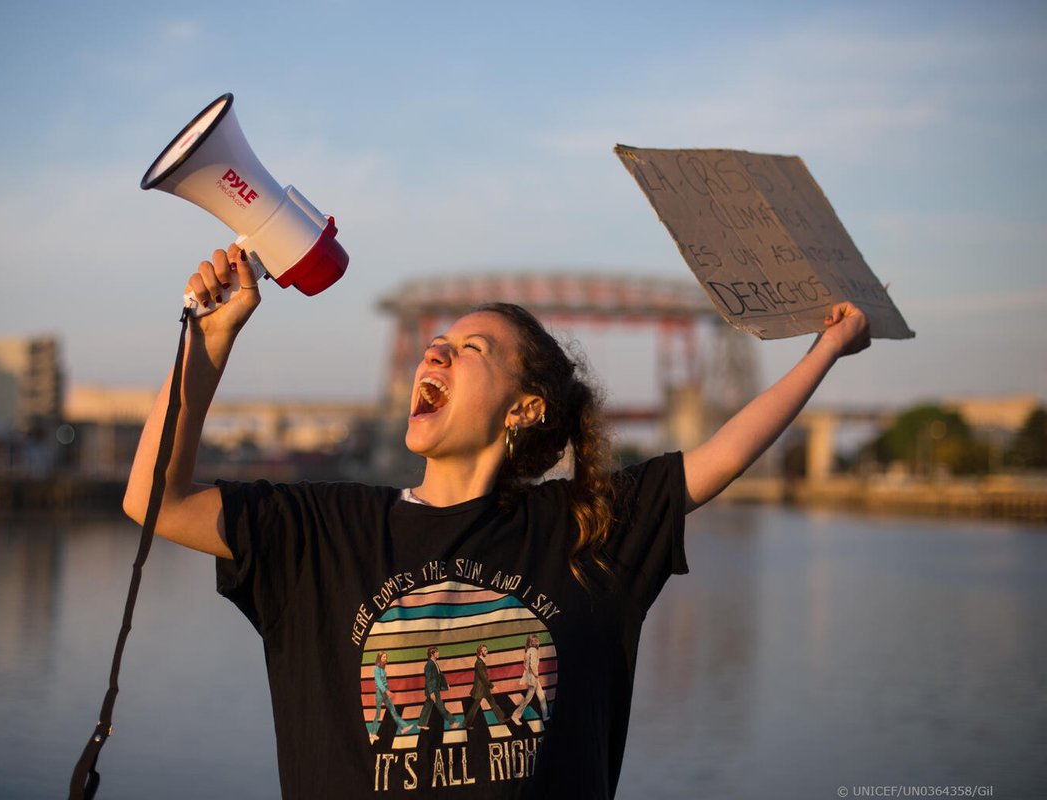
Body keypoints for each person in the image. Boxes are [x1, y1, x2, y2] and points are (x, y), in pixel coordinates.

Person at [123, 243, 871, 798]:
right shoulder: (324, 531)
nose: (435, 354)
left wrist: (827, 347)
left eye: (468, 350)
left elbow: (721, 455)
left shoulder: (581, 530)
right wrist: (210, 340)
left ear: (524, 408)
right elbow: (154, 500)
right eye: (435, 346)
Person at [368, 651, 416, 743]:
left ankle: (404, 727)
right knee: (378, 714)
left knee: (393, 710)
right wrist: (386, 691)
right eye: (383, 657)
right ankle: (372, 733)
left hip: (385, 693)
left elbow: (384, 682)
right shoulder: (376, 669)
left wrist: (387, 691)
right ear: (379, 658)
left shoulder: (382, 669)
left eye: (386, 657)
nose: (385, 659)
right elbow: (379, 682)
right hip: (380, 693)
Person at [464, 644, 508, 729]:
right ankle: (467, 723)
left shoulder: (481, 661)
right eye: (484, 650)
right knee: (475, 707)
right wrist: (492, 686)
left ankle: (501, 719)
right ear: (480, 652)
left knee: (493, 703)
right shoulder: (479, 663)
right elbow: (483, 677)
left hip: (484, 688)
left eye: (486, 650)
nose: (486, 652)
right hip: (480, 689)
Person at [417, 646, 461, 731]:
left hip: (435, 689)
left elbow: (440, 675)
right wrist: (431, 693)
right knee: (441, 707)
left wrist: (446, 685)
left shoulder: (434, 663)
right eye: (436, 652)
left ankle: (421, 724)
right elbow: (428, 679)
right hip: (433, 690)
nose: (438, 653)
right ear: (432, 654)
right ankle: (452, 722)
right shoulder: (429, 665)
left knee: (427, 706)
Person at [511, 634, 547, 727]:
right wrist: (536, 674)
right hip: (533, 677)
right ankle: (515, 716)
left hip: (532, 677)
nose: (538, 642)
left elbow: (525, 665)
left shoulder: (528, 651)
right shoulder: (533, 650)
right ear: (533, 642)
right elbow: (532, 665)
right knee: (528, 698)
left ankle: (545, 715)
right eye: (536, 640)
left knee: (541, 696)